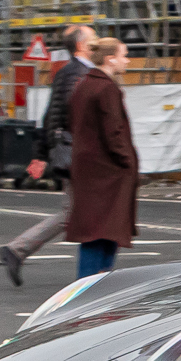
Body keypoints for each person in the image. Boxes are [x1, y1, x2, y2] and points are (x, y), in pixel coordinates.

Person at [0, 23, 98, 286]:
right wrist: (43, 153)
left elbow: (50, 115)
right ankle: (18, 250)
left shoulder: (72, 72)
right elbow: (66, 116)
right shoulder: (78, 74)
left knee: (77, 211)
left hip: (75, 151)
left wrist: (41, 154)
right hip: (78, 152)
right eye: (93, 38)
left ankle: (18, 250)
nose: (97, 41)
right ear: (81, 45)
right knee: (76, 212)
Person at [65, 36, 139, 277]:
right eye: (124, 55)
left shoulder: (84, 84)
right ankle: (91, 292)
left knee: (96, 233)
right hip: (108, 174)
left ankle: (89, 286)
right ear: (110, 59)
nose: (127, 60)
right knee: (105, 234)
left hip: (89, 170)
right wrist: (128, 162)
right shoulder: (107, 88)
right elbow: (114, 132)